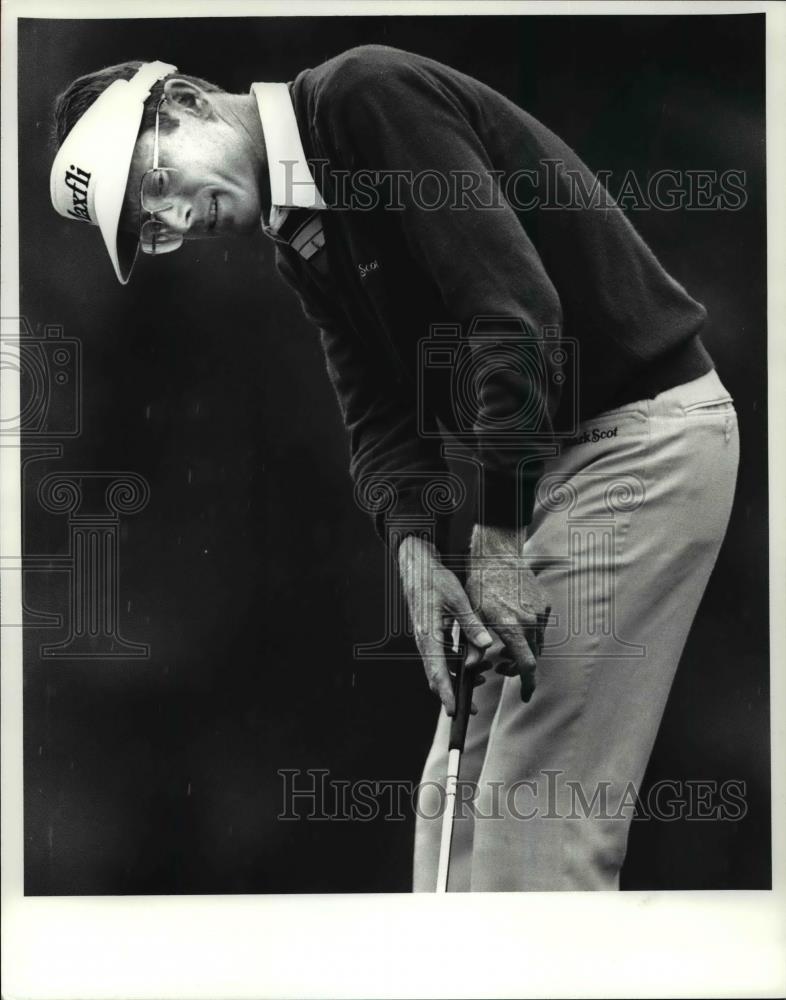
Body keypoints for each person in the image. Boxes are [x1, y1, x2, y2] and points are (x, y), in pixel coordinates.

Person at [49, 45, 739, 891]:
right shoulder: (299, 231)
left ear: (188, 103)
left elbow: (515, 317)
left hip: (641, 450)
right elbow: (380, 417)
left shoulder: (364, 99)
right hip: (558, 467)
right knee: (452, 820)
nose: (178, 222)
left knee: (532, 822)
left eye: (155, 184)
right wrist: (417, 554)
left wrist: (495, 535)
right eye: (149, 229)